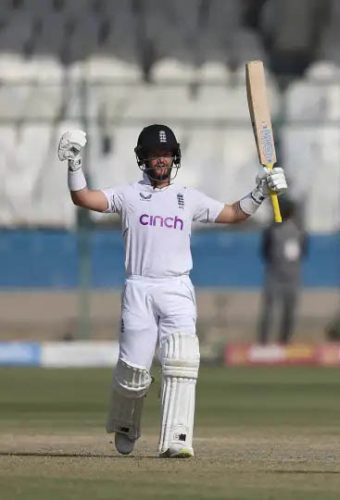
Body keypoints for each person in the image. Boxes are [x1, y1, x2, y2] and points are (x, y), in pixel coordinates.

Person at [56, 124, 287, 458]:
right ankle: (125, 425)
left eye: (165, 154)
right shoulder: (128, 194)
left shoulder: (188, 198)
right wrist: (74, 165)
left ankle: (177, 438)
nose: (160, 160)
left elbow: (234, 213)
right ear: (144, 159)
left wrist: (262, 192)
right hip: (139, 287)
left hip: (177, 287)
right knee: (134, 371)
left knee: (182, 358)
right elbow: (83, 198)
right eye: (154, 155)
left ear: (174, 157)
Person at [257, 198, 307, 345]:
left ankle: (283, 340)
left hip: (290, 275)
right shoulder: (271, 230)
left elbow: (303, 250)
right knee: (270, 310)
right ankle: (265, 341)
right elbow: (265, 251)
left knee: (288, 310)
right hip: (276, 274)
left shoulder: (299, 231)